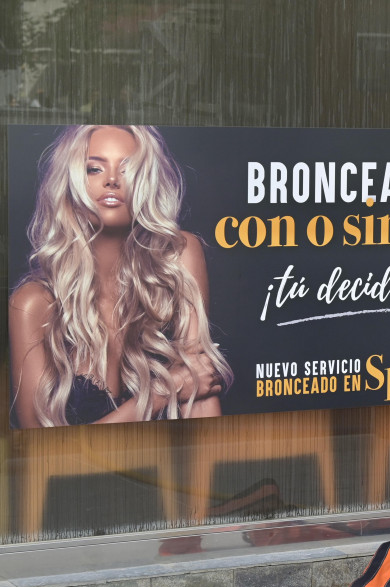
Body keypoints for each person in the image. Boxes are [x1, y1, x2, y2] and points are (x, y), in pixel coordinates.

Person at [9, 125, 233, 427]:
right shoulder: (33, 304)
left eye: (128, 169)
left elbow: (202, 387)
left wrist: (215, 474)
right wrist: (160, 393)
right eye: (93, 169)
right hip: (76, 474)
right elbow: (39, 454)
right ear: (70, 182)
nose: (112, 180)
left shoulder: (178, 257)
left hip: (165, 469)